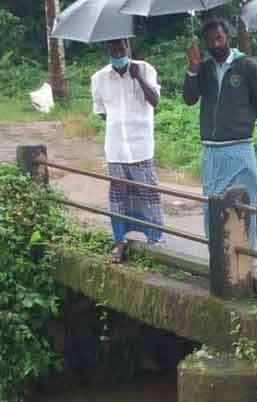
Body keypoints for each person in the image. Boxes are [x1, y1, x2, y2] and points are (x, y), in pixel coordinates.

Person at [183, 18, 257, 246]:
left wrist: (239, 123)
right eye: (210, 41)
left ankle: (251, 259)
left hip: (240, 149)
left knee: (245, 204)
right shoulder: (204, 68)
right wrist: (192, 70)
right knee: (214, 205)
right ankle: (219, 261)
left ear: (227, 37)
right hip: (212, 152)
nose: (215, 44)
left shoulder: (247, 65)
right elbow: (190, 99)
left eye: (219, 38)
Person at [91, 38, 164, 263]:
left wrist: (138, 77)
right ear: (107, 50)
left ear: (129, 47)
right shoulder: (98, 78)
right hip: (116, 149)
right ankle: (119, 242)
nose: (118, 52)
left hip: (141, 146)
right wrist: (119, 126)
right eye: (113, 48)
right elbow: (102, 113)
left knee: (148, 194)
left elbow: (155, 100)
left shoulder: (145, 69)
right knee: (118, 198)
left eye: (121, 48)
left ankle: (155, 243)